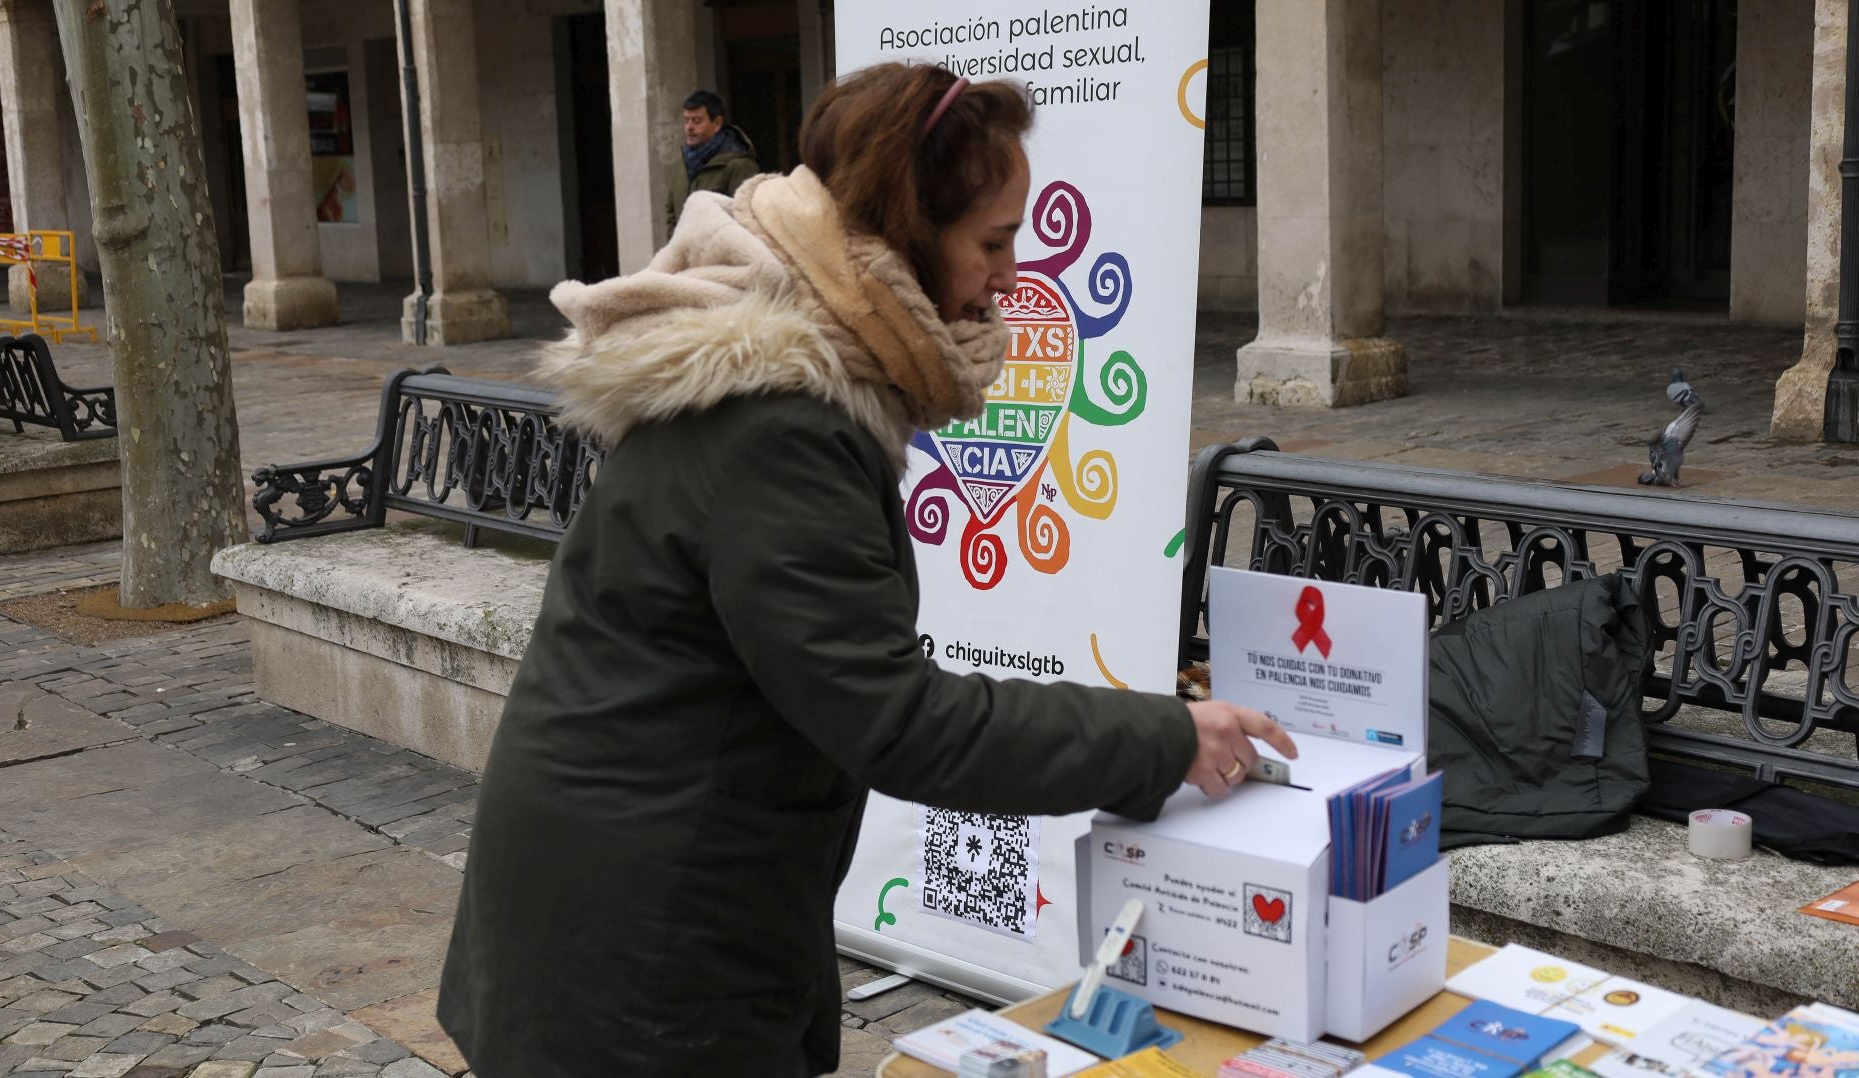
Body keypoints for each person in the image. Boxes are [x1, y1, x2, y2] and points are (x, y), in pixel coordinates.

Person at [437, 63, 1297, 1076]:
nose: (1012, 277)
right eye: (990, 240)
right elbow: (895, 717)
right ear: (902, 231)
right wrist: (1163, 737)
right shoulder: (780, 426)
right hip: (646, 955)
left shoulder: (786, 380)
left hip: (643, 906)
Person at [666, 88, 761, 238]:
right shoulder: (683, 164)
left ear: (717, 123)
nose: (689, 127)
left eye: (696, 121)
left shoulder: (739, 166)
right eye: (686, 120)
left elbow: (747, 222)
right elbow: (671, 213)